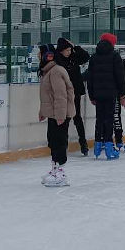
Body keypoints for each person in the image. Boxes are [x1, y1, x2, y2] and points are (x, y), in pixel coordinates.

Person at [38, 44, 76, 186]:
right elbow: (48, 96)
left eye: (40, 53)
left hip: (60, 114)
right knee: (53, 141)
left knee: (59, 142)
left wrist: (61, 115)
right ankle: (54, 169)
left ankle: (61, 172)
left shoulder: (55, 71)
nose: (38, 56)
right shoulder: (48, 71)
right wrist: (43, 112)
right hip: (53, 114)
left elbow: (61, 96)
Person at [87, 32, 125, 160]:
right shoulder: (115, 57)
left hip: (98, 94)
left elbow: (90, 78)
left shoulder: (93, 57)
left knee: (99, 119)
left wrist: (91, 95)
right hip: (111, 94)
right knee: (109, 119)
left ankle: (98, 146)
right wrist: (122, 94)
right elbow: (120, 77)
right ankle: (109, 148)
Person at [54, 37, 90, 156]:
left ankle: (83, 144)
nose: (69, 52)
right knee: (64, 119)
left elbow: (86, 56)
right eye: (67, 50)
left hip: (75, 92)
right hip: (63, 94)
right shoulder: (57, 61)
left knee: (77, 117)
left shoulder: (74, 57)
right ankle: (63, 145)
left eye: (70, 50)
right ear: (61, 51)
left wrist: (75, 47)